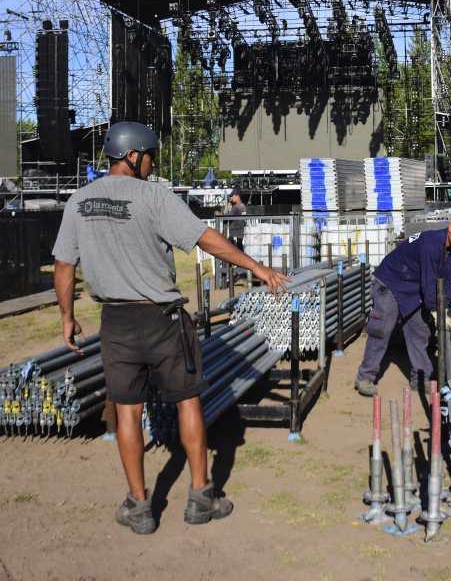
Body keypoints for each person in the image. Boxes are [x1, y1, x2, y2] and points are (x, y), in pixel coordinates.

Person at [52, 121, 289, 536]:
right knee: (188, 403)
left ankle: (139, 505)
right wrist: (256, 267)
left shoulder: (79, 201)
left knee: (127, 411)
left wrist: (67, 317)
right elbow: (205, 237)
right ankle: (201, 497)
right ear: (132, 156)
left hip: (116, 323)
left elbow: (63, 266)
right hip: (160, 320)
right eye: (149, 156)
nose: (152, 163)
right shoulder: (153, 196)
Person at [354, 215, 451, 396]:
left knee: (420, 331)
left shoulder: (449, 249)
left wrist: (447, 308)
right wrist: (436, 311)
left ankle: (420, 379)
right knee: (382, 329)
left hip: (412, 286)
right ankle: (365, 377)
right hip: (391, 281)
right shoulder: (431, 244)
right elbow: (429, 283)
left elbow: (448, 280)